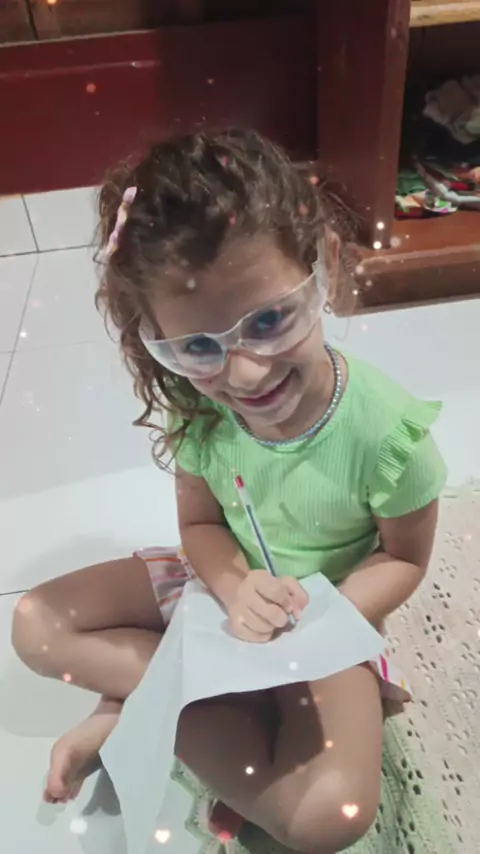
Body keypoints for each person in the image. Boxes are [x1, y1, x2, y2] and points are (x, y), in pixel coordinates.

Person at [12, 129, 446, 854]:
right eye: (197, 347)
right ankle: (169, 704)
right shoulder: (198, 406)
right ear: (156, 337)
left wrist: (314, 620)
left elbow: (402, 560)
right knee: (35, 625)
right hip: (214, 590)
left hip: (320, 624)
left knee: (329, 818)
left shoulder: (390, 435)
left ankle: (143, 710)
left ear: (322, 263)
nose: (245, 375)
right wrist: (232, 585)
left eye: (270, 320)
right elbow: (201, 526)